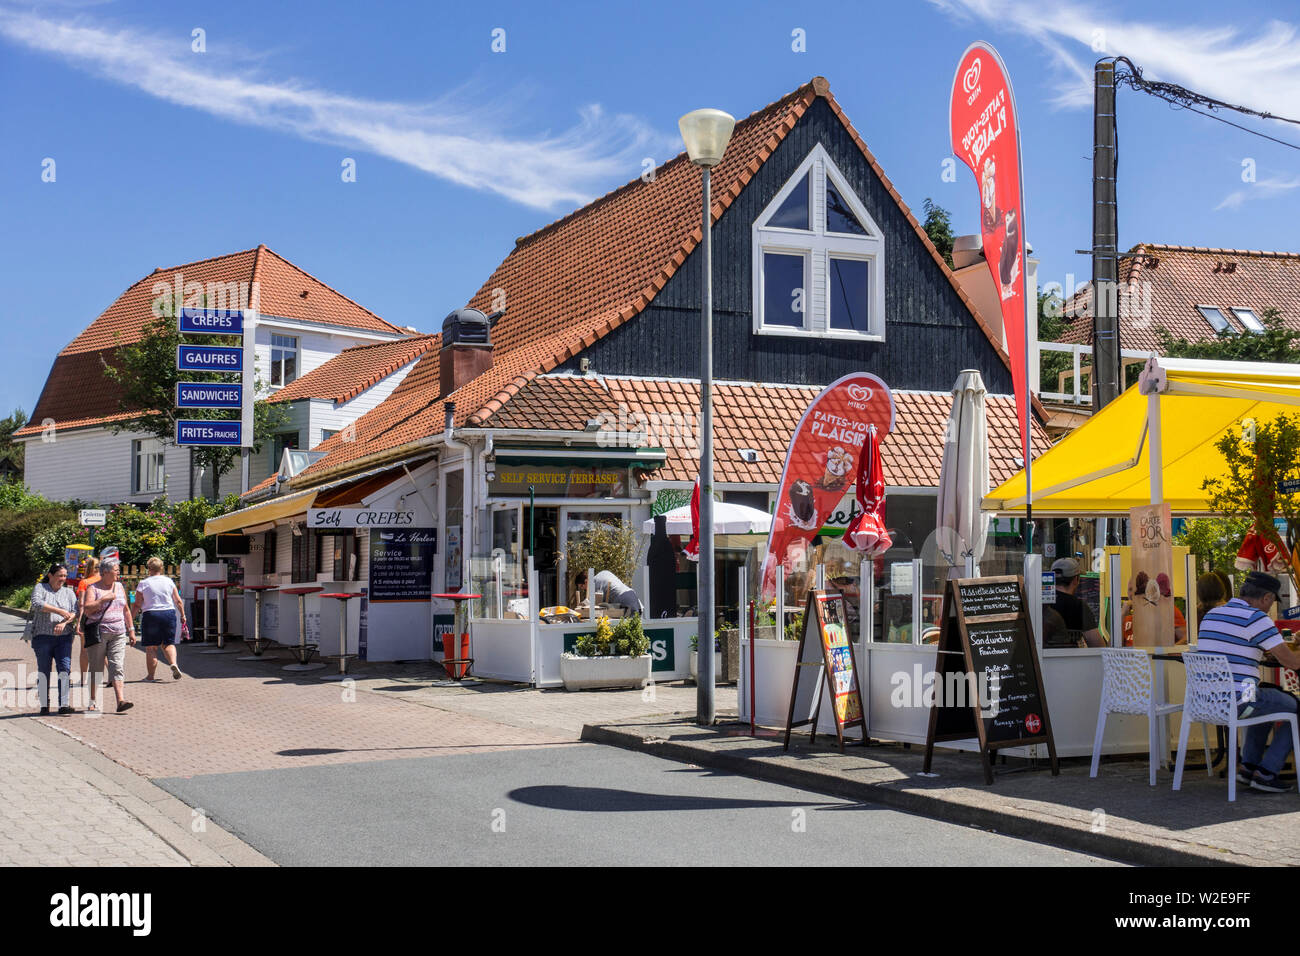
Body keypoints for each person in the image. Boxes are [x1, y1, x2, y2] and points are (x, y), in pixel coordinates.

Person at [1197, 571, 1300, 792]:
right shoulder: (1256, 617)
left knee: (1264, 699)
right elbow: (1291, 662)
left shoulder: (1212, 614)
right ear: (1266, 598)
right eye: (1271, 601)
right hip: (1239, 700)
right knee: (1295, 707)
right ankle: (1267, 772)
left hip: (1205, 702)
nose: (1270, 607)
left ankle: (1249, 767)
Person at [81, 558, 135, 714]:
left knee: (117, 665)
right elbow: (87, 609)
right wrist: (103, 599)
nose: (118, 572)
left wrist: (131, 629)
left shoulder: (119, 587)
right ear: (105, 572)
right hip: (99, 633)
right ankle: (92, 702)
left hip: (118, 632)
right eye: (116, 569)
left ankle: (120, 701)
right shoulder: (93, 588)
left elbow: (125, 609)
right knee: (97, 668)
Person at [29, 563, 79, 715]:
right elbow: (37, 604)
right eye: (60, 576)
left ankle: (64, 704)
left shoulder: (69, 593)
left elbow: (74, 611)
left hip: (63, 638)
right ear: (50, 575)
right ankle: (44, 704)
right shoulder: (41, 588)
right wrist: (59, 610)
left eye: (64, 576)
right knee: (44, 670)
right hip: (43, 636)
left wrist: (65, 622)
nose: (62, 579)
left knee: (64, 669)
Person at [135, 557, 186, 681]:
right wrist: (183, 615)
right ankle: (173, 663)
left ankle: (151, 676)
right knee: (168, 643)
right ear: (161, 568)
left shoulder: (143, 583)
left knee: (151, 647)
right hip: (168, 614)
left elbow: (137, 604)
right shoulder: (169, 581)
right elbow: (178, 601)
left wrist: (130, 619)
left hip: (151, 615)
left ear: (149, 569)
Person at [1050, 557, 1105, 647]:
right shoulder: (1078, 606)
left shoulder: (1040, 603)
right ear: (1076, 580)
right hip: (1071, 660)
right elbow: (1097, 645)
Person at [74, 555, 101, 691]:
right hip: (103, 618)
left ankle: (84, 678)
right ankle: (111, 677)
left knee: (84, 649)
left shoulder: (84, 583)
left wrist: (79, 622)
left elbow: (81, 604)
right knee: (103, 648)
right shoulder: (104, 581)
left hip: (88, 618)